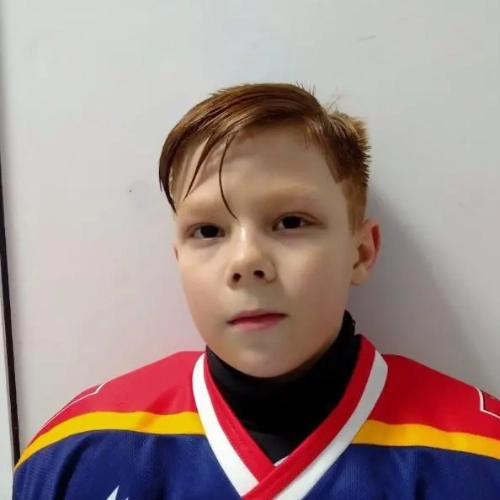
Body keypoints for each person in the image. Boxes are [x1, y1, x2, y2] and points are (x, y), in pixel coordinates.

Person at [12, 83, 500, 499]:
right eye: (207, 231)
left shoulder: (479, 458)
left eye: (291, 222)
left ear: (361, 252)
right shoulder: (75, 453)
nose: (246, 262)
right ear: (179, 258)